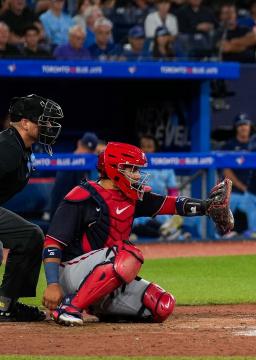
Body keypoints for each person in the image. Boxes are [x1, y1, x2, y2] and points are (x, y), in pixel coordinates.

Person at [41, 142, 234, 326]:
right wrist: (52, 284)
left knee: (162, 305)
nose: (137, 175)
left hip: (104, 276)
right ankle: (70, 307)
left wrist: (207, 207)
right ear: (115, 169)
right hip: (70, 273)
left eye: (137, 170)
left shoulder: (132, 196)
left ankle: (100, 307)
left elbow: (171, 204)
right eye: (132, 169)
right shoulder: (83, 195)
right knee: (128, 254)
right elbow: (52, 244)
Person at [0, 94, 63, 322]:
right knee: (29, 235)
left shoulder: (20, 147)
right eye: (43, 121)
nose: (48, 126)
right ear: (25, 123)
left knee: (29, 236)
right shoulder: (7, 147)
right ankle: (5, 305)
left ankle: (7, 304)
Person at [48, 132, 98, 219]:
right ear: (79, 143)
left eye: (89, 152)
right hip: (62, 215)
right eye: (84, 148)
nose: (85, 153)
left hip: (72, 213)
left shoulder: (86, 166)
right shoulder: (69, 163)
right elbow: (59, 196)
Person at [219, 113, 253, 236]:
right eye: (240, 125)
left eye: (246, 124)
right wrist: (242, 186)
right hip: (232, 191)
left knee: (254, 225)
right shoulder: (229, 146)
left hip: (251, 192)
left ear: (250, 126)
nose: (243, 127)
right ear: (236, 128)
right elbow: (226, 170)